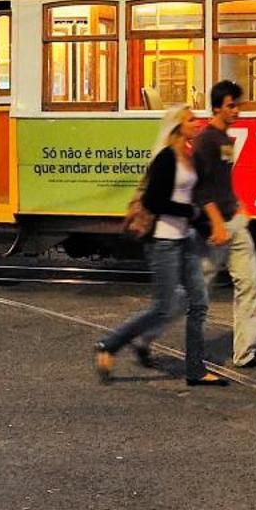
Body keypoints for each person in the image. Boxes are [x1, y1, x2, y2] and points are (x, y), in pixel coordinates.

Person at [95, 104, 230, 386]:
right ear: (177, 125)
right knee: (164, 307)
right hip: (163, 243)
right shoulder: (166, 158)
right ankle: (110, 344)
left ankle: (195, 370)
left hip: (185, 240)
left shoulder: (188, 157)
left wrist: (204, 225)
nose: (197, 122)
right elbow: (153, 202)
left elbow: (190, 199)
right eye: (191, 119)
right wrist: (190, 214)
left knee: (199, 303)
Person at [195, 80, 256, 368]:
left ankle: (246, 353)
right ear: (217, 107)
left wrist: (237, 202)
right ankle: (189, 351)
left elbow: (221, 181)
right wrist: (217, 222)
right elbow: (200, 187)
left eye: (238, 105)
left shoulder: (226, 140)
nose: (237, 110)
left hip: (233, 222)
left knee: (250, 284)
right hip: (215, 227)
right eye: (231, 105)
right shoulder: (206, 140)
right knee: (200, 290)